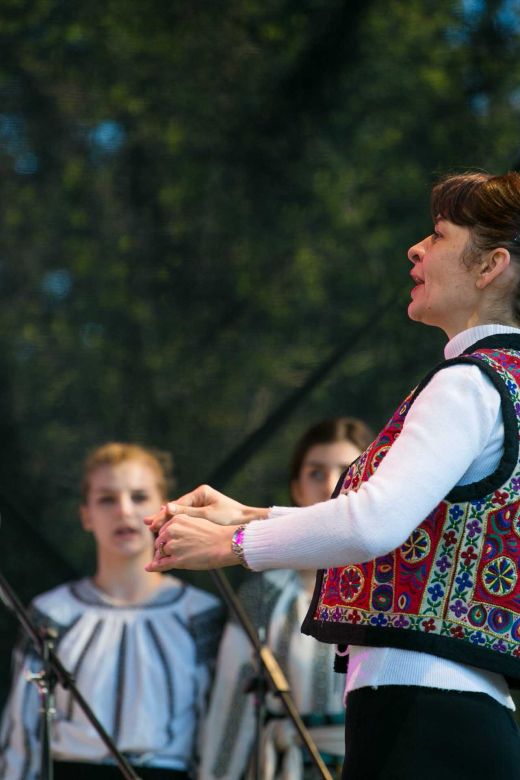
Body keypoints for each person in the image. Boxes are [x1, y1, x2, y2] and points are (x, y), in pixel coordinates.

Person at [145, 171, 520, 779]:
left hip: (425, 715)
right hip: (446, 709)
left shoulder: (468, 384)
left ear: (491, 266)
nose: (416, 249)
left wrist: (231, 543)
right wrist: (249, 514)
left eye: (438, 235)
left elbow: (373, 523)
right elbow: (410, 524)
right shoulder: (504, 382)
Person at [0, 442, 224, 780]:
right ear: (86, 515)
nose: (124, 511)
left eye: (139, 497)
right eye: (107, 499)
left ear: (166, 509)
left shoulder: (200, 613)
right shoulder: (52, 612)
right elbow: (21, 732)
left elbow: (218, 730)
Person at [198, 418, 373, 780]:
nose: (330, 484)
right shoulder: (264, 594)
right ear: (296, 489)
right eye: (315, 473)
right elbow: (232, 708)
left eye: (346, 470)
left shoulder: (394, 592)